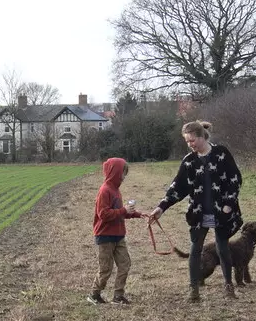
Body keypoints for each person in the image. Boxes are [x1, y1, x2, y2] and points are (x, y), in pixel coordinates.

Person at [149, 120, 244, 303]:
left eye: (192, 140)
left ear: (201, 137)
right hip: (199, 213)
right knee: (195, 249)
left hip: (222, 212)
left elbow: (235, 180)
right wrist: (161, 207)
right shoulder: (189, 161)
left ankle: (228, 286)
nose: (189, 144)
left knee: (222, 247)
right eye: (187, 141)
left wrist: (228, 205)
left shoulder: (221, 154)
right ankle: (194, 290)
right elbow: (177, 187)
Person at [89, 157, 143, 305]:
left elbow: (120, 212)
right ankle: (94, 294)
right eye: (123, 173)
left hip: (119, 235)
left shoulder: (116, 190)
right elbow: (104, 214)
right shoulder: (105, 190)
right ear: (115, 172)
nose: (124, 177)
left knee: (125, 264)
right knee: (106, 268)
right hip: (104, 236)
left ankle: (118, 296)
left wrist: (138, 214)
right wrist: (123, 210)